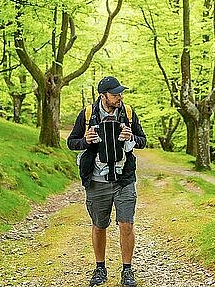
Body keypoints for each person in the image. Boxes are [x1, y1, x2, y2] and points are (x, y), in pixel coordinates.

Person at [67, 76, 146, 287]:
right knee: (99, 226)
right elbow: (71, 142)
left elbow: (143, 140)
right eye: (115, 94)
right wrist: (85, 140)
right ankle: (100, 268)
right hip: (96, 180)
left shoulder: (128, 113)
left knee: (126, 224)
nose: (119, 97)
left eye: (120, 93)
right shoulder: (87, 115)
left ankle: (127, 271)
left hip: (124, 180)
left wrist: (133, 138)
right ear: (103, 96)